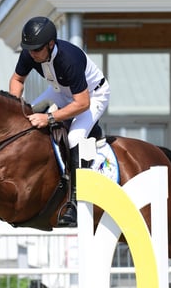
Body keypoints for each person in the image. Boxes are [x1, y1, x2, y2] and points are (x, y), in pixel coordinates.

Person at [9, 16, 110, 227]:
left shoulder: (68, 59)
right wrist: (14, 106)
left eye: (36, 49)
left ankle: (73, 202)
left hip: (92, 96)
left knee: (74, 138)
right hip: (60, 92)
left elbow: (82, 103)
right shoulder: (32, 53)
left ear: (50, 44)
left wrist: (49, 117)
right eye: (29, 49)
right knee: (26, 118)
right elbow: (17, 80)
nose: (32, 53)